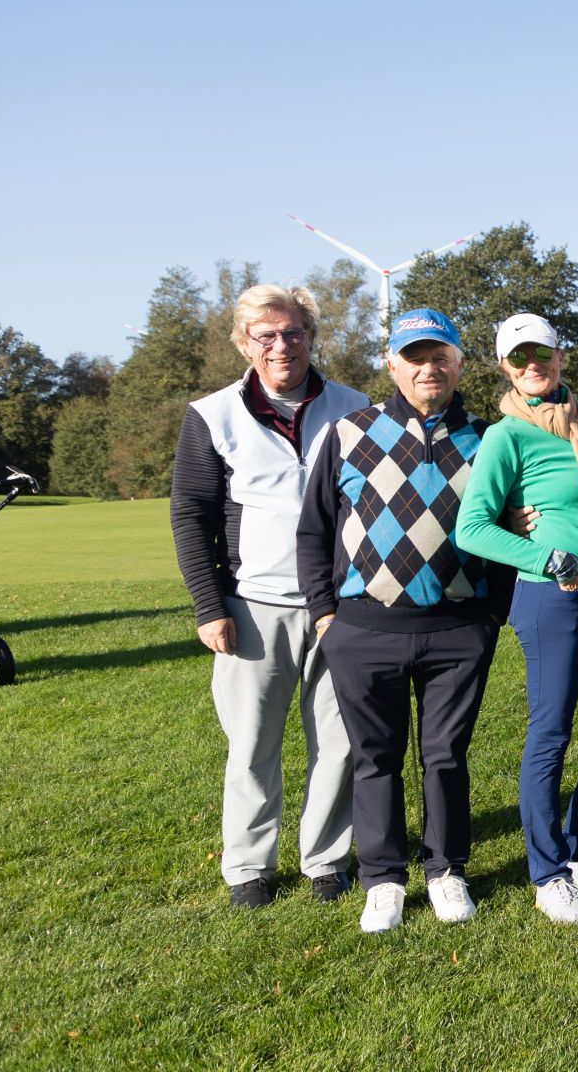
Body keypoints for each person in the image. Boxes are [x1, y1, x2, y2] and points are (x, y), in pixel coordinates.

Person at [297, 308, 513, 933]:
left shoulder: (487, 436)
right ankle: (383, 878)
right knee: (374, 757)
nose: (428, 367)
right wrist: (324, 615)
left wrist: (490, 614)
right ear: (392, 364)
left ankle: (446, 869)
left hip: (457, 628)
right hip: (362, 628)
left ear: (459, 363)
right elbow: (313, 530)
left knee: (445, 755)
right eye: (413, 356)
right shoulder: (347, 432)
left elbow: (513, 524)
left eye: (439, 355)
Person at [170, 283, 369, 909]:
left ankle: (326, 861)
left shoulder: (355, 407)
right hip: (251, 606)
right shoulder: (211, 414)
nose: (282, 346)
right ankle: (249, 867)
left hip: (340, 606)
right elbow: (191, 513)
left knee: (337, 742)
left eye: (294, 333)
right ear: (245, 344)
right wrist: (209, 607)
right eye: (267, 336)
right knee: (253, 743)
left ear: (311, 337)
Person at [455, 312, 578, 925]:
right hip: (552, 596)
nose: (533, 364)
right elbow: (473, 527)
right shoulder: (506, 435)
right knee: (552, 735)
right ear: (506, 368)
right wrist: (546, 554)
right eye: (519, 357)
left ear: (561, 357)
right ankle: (546, 871)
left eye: (543, 353)